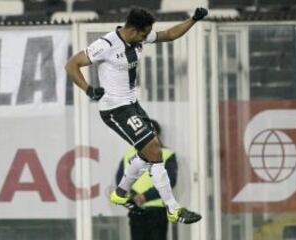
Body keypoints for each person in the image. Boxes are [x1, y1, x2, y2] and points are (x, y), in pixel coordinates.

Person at [65, 7, 207, 224]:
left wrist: (194, 19)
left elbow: (169, 35)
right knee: (154, 151)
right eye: (144, 34)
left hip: (132, 105)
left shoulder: (137, 38)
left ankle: (120, 194)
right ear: (133, 30)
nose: (146, 38)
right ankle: (173, 209)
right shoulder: (106, 45)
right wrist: (89, 89)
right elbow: (72, 64)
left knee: (149, 152)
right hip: (115, 109)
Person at [115, 119, 178, 240]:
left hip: (157, 211)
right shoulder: (129, 154)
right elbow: (120, 180)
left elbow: (170, 181)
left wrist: (145, 196)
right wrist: (134, 196)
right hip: (137, 210)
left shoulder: (167, 154)